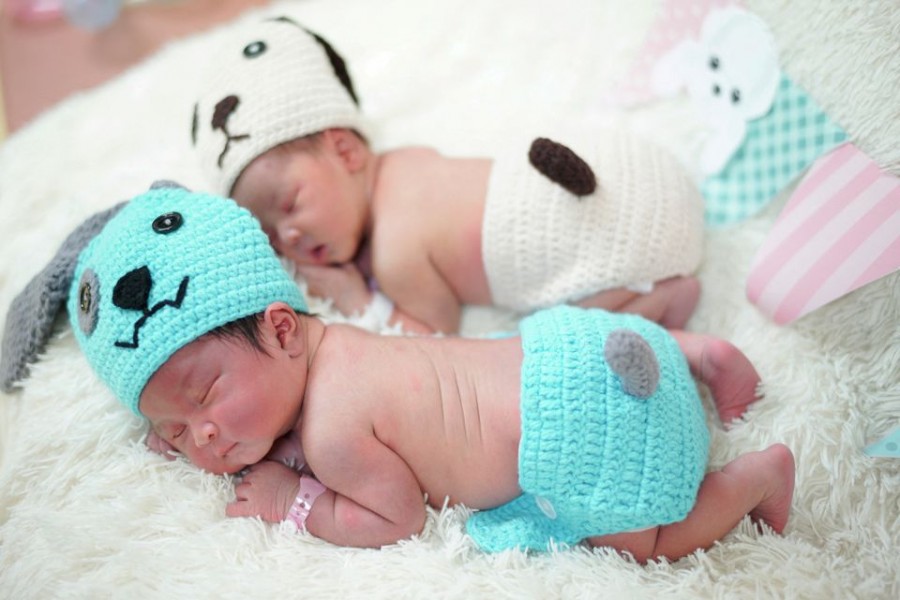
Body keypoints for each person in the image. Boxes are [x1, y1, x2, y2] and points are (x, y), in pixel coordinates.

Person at [5, 183, 793, 562]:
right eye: (175, 432)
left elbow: (398, 520)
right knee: (554, 341)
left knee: (645, 541)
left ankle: (756, 478)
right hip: (579, 350)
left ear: (282, 329)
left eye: (204, 397)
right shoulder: (341, 348)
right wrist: (185, 420)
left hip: (586, 434)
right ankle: (690, 348)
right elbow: (239, 414)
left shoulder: (335, 430)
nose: (200, 435)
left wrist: (295, 500)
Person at [191, 16, 707, 335]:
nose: (290, 237)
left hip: (618, 242)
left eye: (290, 204)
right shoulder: (408, 160)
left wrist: (358, 299)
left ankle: (653, 299)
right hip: (642, 170)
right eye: (273, 234)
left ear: (346, 150)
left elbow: (433, 337)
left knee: (554, 339)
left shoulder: (397, 254)